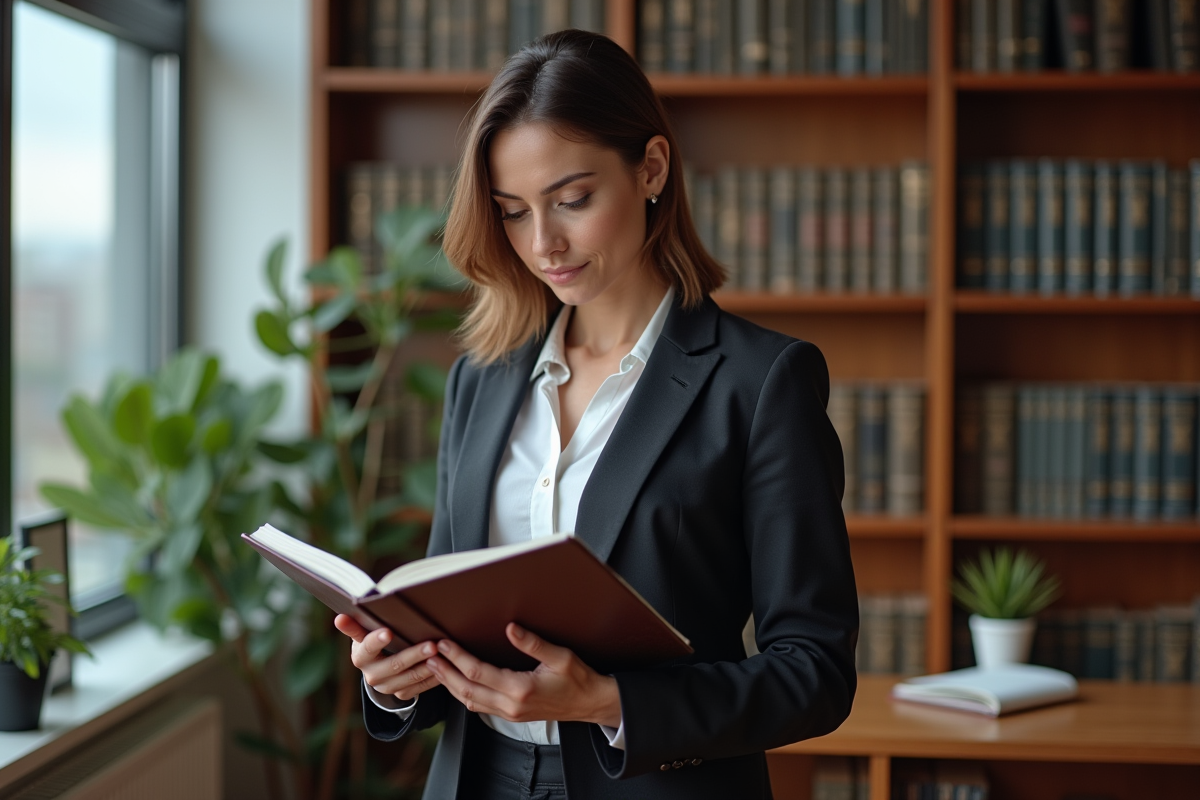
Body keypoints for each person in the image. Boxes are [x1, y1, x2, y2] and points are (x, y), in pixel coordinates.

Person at [333, 28, 858, 800]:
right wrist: (396, 677)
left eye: (572, 200)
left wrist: (610, 703)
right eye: (512, 212)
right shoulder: (479, 378)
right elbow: (445, 616)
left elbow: (815, 672)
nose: (544, 244)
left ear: (651, 169)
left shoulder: (762, 381)